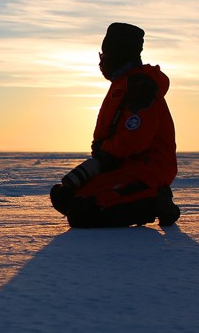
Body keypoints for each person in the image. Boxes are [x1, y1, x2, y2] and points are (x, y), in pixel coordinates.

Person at [50, 22, 181, 228]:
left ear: (118, 54)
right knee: (65, 196)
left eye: (105, 54)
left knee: (84, 212)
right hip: (120, 164)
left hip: (146, 169)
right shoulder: (122, 84)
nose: (102, 61)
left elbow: (134, 139)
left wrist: (104, 156)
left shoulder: (140, 87)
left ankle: (155, 199)